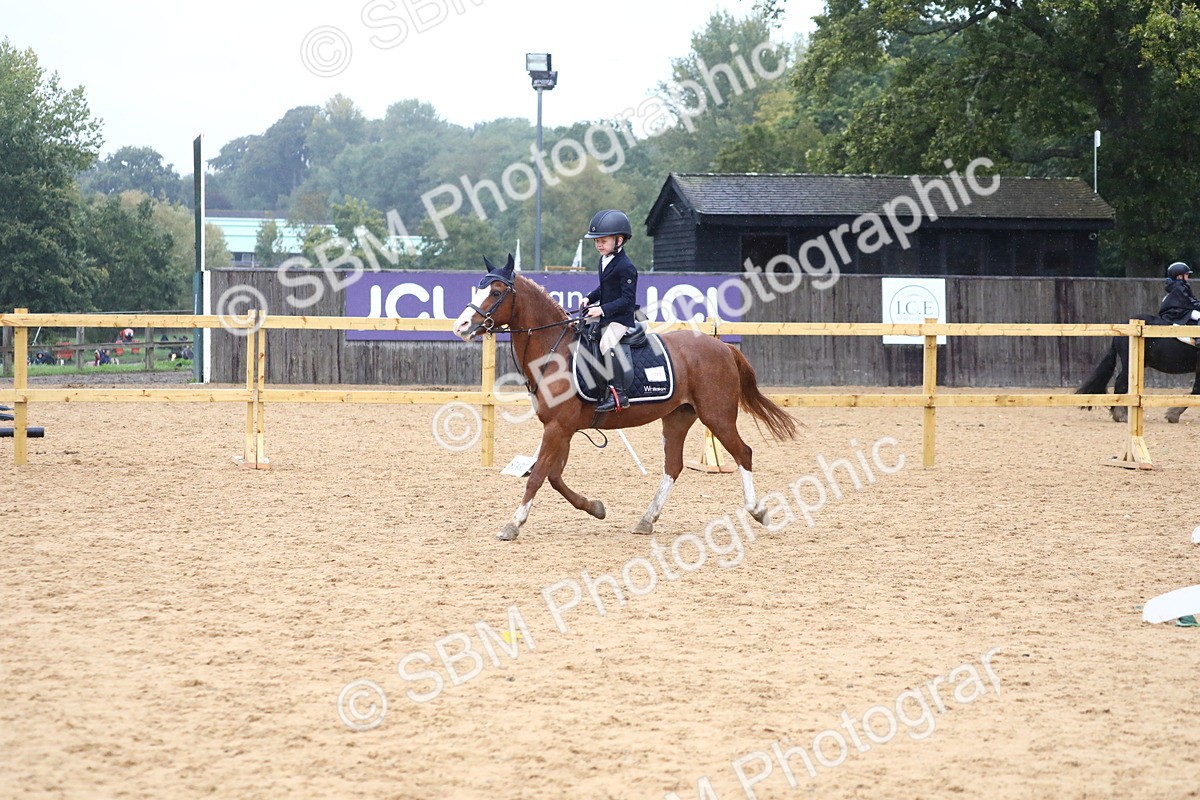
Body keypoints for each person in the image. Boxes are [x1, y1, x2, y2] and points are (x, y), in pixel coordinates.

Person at [580, 209, 638, 412]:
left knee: (606, 343)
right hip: (606, 314)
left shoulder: (626, 267)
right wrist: (589, 298)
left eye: (603, 240)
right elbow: (603, 288)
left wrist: (601, 310)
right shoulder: (604, 260)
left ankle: (618, 393)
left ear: (619, 240)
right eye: (596, 241)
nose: (599, 245)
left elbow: (627, 300)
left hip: (621, 318)